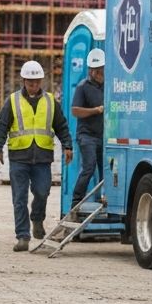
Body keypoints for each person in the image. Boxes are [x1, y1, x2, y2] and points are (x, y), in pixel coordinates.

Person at [0, 60, 73, 251]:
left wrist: (67, 146)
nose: (34, 85)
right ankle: (22, 237)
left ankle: (37, 219)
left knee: (42, 192)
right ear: (24, 81)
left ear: (41, 81)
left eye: (37, 82)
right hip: (19, 157)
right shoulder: (12, 101)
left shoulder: (51, 101)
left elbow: (61, 126)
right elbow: (1, 127)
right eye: (30, 82)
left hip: (42, 158)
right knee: (19, 198)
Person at [70, 48, 106, 214]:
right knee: (89, 167)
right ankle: (76, 202)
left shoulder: (108, 86)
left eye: (100, 70)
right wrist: (95, 110)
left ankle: (104, 198)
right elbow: (75, 111)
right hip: (87, 136)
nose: (97, 73)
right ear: (90, 70)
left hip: (103, 136)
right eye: (95, 71)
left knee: (106, 169)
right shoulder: (83, 87)